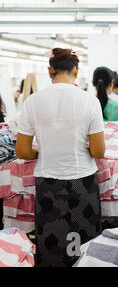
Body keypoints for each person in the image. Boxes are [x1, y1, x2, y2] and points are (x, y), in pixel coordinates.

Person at [15, 48, 105, 267]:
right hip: (82, 182)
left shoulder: (32, 102)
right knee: (83, 246)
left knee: (53, 246)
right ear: (76, 70)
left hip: (48, 184)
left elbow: (23, 151)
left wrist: (44, 151)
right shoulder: (89, 101)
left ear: (50, 71)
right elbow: (98, 151)